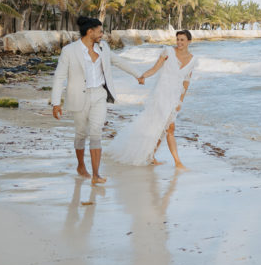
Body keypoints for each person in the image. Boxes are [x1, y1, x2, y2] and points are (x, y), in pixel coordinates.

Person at [51, 16, 144, 185]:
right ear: (90, 32)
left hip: (100, 95)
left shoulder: (104, 48)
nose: (103, 34)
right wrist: (56, 103)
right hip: (79, 96)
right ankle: (81, 166)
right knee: (81, 133)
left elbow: (118, 61)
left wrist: (138, 74)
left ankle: (96, 174)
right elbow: (59, 77)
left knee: (96, 132)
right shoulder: (70, 51)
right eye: (100, 31)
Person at [107, 30, 197, 168]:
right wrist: (142, 76)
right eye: (178, 39)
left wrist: (180, 101)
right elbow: (154, 69)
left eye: (182, 40)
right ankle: (177, 162)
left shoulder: (193, 60)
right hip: (161, 95)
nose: (179, 42)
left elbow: (186, 82)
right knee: (168, 128)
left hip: (174, 98)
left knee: (162, 128)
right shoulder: (168, 52)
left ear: (189, 41)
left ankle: (151, 156)